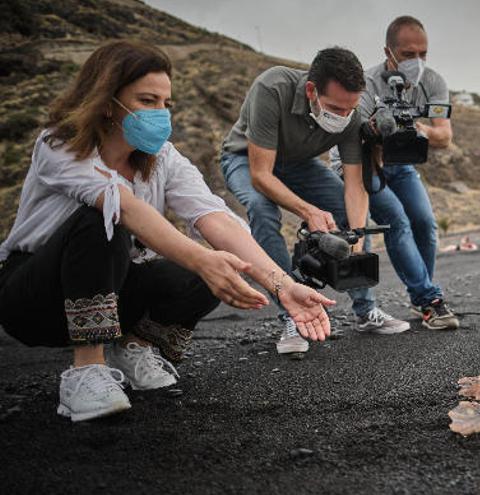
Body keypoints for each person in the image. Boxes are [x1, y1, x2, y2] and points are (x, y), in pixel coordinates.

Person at [0, 41, 335, 422]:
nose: (161, 114)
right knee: (106, 218)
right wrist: (204, 259)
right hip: (32, 297)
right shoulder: (60, 143)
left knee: (214, 266)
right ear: (107, 101)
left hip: (112, 285)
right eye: (147, 101)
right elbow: (125, 207)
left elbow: (215, 217)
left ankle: (133, 347)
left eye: (166, 104)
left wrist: (281, 284)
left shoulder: (164, 159)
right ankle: (85, 372)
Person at [220, 47, 410, 355]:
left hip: (299, 163)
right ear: (311, 90)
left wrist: (357, 235)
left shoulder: (351, 115)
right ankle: (291, 317)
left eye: (350, 109)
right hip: (246, 159)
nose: (344, 117)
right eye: (335, 108)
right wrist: (307, 210)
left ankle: (366, 311)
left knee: (351, 217)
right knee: (261, 209)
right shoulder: (273, 87)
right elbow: (261, 176)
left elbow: (354, 187)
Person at [351, 15, 460, 330]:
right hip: (362, 162)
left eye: (423, 53)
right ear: (389, 52)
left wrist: (414, 127)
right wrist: (378, 133)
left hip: (402, 162)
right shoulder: (367, 83)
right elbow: (351, 137)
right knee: (396, 221)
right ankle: (429, 300)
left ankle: (420, 294)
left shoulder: (433, 82)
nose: (417, 61)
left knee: (425, 224)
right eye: (409, 54)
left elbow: (445, 137)